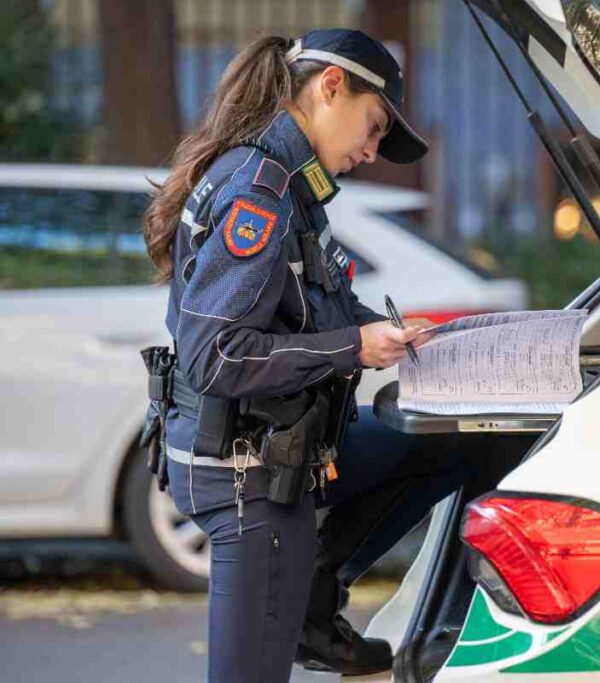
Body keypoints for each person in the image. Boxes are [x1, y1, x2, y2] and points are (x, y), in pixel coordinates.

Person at [142, 29, 468, 682]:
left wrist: (388, 333)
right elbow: (217, 356)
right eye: (374, 126)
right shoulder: (258, 190)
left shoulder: (291, 184)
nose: (373, 151)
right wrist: (352, 346)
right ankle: (308, 607)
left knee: (454, 438)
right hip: (245, 473)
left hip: (283, 452)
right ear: (329, 88)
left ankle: (313, 605)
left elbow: (314, 305)